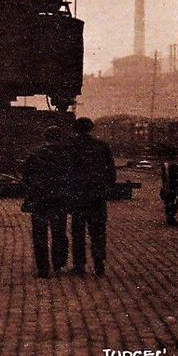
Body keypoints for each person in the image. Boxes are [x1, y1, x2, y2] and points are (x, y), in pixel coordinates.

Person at [22, 125, 72, 278]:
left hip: (39, 199)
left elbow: (26, 175)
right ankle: (59, 264)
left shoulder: (35, 154)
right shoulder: (65, 155)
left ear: (45, 138)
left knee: (39, 234)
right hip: (59, 199)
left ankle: (43, 268)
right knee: (59, 232)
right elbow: (70, 176)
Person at [68, 117, 115, 275]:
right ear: (90, 129)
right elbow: (111, 173)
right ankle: (99, 264)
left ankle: (79, 265)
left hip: (78, 197)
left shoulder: (71, 146)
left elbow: (66, 172)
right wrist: (105, 190)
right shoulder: (102, 146)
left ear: (75, 129)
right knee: (98, 232)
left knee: (78, 233)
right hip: (97, 197)